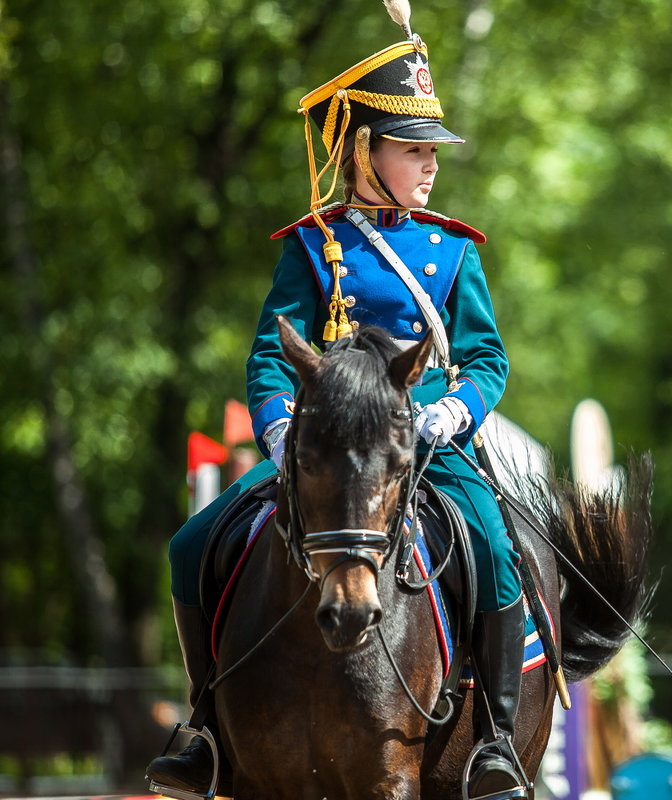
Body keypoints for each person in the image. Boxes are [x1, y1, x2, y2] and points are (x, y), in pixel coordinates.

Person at [146, 3, 529, 798]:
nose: (431, 166)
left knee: (493, 549)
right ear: (366, 149)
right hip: (321, 450)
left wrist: (451, 412)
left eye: (433, 151)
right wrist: (282, 431)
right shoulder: (315, 244)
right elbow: (268, 355)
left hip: (419, 446)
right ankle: (208, 731)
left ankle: (494, 740)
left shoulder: (454, 250)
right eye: (414, 150)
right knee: (191, 545)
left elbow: (486, 358)